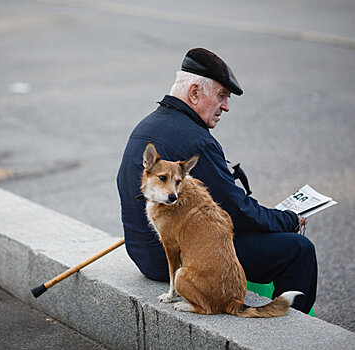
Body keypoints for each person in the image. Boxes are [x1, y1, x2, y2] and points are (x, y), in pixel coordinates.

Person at [116, 48, 317, 314]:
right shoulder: (196, 139)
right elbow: (238, 212)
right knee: (299, 248)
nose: (226, 106)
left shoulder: (145, 126)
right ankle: (297, 328)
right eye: (222, 96)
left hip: (143, 251)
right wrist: (288, 219)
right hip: (174, 259)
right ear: (195, 93)